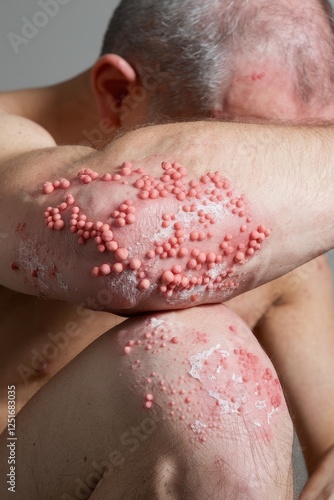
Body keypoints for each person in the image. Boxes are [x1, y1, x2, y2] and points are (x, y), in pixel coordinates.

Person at [1, 0, 334, 496]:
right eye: (249, 149)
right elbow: (113, 237)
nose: (277, 184)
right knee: (198, 368)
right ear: (118, 96)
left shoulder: (276, 227)